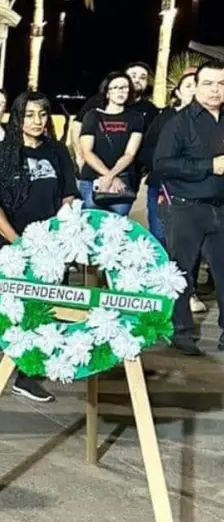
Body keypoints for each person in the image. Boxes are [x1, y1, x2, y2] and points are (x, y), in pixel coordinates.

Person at [0, 92, 78, 402]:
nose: (37, 121)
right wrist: (17, 241)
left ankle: (26, 375)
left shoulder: (57, 152)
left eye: (42, 114)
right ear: (17, 118)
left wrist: (57, 233)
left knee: (39, 309)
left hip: (47, 246)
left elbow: (68, 195)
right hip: (4, 243)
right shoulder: (2, 152)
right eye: (29, 115)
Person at [154, 59, 224, 356]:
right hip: (185, 208)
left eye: (221, 83)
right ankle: (180, 331)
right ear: (196, 86)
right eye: (208, 83)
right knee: (181, 272)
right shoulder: (179, 122)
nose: (215, 90)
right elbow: (163, 165)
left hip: (220, 209)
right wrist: (209, 166)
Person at [141, 70, 197, 248]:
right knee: (160, 234)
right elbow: (147, 149)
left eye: (198, 84)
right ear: (178, 92)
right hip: (162, 185)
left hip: (195, 188)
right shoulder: (165, 117)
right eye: (188, 86)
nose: (193, 89)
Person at [77, 71, 144, 216]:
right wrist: (108, 176)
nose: (120, 91)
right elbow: (87, 151)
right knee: (91, 225)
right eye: (115, 88)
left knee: (117, 227)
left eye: (124, 87)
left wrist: (111, 177)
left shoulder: (135, 117)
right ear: (107, 92)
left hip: (122, 180)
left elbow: (130, 153)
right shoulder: (93, 116)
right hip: (92, 180)